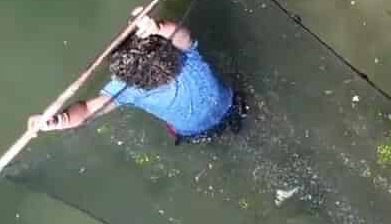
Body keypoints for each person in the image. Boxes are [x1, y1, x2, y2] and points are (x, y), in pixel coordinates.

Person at [30, 10, 240, 143]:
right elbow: (181, 34)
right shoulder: (185, 55)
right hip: (230, 106)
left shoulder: (128, 90)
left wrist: (57, 121)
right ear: (165, 49)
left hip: (193, 133)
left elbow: (86, 111)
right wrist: (156, 27)